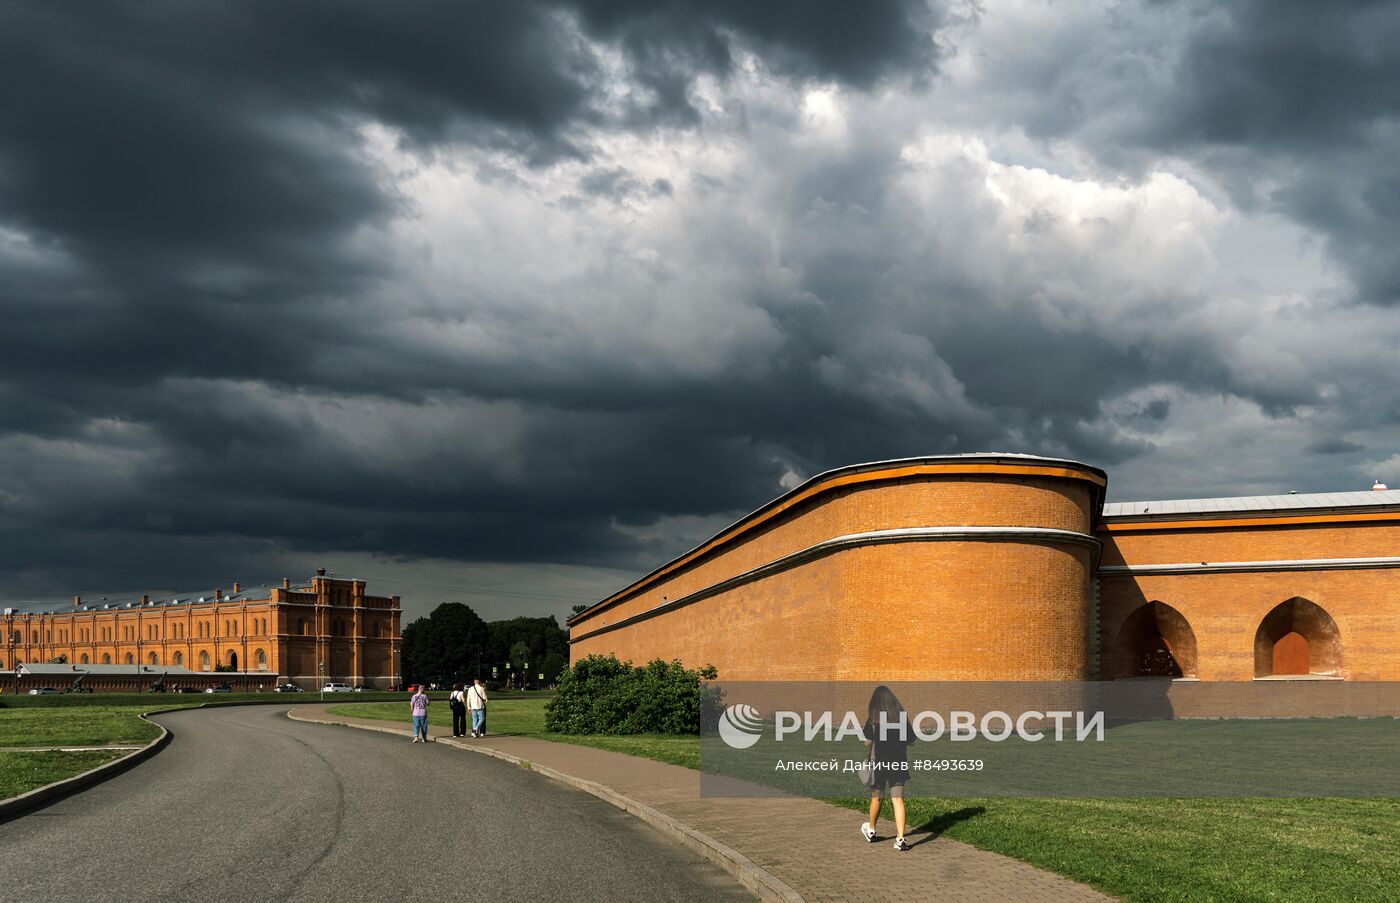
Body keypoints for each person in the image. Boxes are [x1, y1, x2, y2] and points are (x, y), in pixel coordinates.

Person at [860, 685, 911, 851]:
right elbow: (911, 739)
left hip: (880, 763)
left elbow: (866, 741)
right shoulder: (901, 716)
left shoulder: (874, 717)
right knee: (898, 800)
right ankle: (900, 839)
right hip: (898, 762)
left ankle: (872, 830)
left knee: (877, 797)